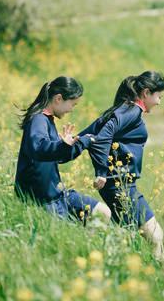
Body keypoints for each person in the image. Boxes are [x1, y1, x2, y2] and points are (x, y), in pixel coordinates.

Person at [80, 71, 164, 260]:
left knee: (126, 236)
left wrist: (68, 145)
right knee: (155, 236)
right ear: (146, 93)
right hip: (120, 186)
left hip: (120, 184)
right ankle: (159, 278)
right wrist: (101, 171)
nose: (159, 102)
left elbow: (90, 135)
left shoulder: (122, 109)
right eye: (158, 96)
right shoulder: (132, 111)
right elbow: (103, 136)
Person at [15, 76, 111, 224]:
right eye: (72, 104)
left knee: (103, 212)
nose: (72, 110)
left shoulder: (48, 120)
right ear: (58, 98)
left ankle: (88, 246)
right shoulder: (38, 120)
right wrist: (62, 145)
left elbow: (57, 156)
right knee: (93, 220)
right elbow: (38, 148)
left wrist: (73, 144)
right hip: (44, 202)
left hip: (58, 195)